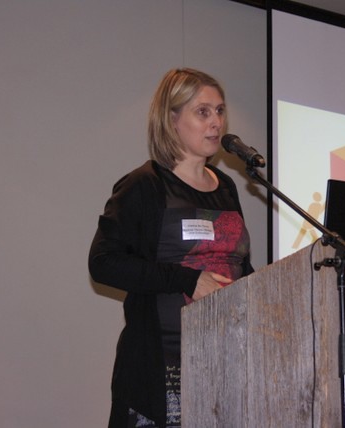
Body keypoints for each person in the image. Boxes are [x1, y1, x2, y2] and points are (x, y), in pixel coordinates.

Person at [89, 68, 254, 428]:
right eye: (202, 112)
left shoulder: (226, 187)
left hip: (226, 363)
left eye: (220, 111)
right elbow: (104, 262)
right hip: (162, 368)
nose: (216, 122)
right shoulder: (144, 185)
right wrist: (187, 279)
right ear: (172, 119)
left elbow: (239, 266)